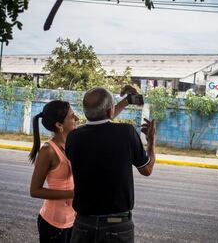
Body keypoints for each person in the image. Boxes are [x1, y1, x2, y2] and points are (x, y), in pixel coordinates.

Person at [66, 87, 156, 243]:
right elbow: (147, 170)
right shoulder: (126, 132)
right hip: (117, 225)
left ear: (86, 112)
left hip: (83, 224)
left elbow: (101, 124)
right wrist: (151, 143)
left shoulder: (73, 138)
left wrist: (126, 101)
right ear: (110, 111)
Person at [29, 100, 79, 243]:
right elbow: (35, 191)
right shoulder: (48, 151)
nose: (77, 119)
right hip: (53, 225)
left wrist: (125, 101)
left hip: (73, 220)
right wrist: (72, 194)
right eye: (72, 116)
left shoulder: (72, 142)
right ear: (59, 125)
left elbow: (100, 118)